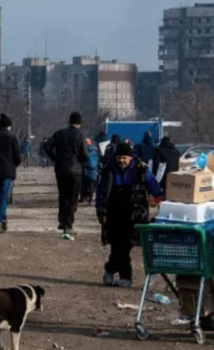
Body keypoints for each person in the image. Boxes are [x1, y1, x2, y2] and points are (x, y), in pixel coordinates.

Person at [96, 142, 163, 288]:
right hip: (113, 211)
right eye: (119, 157)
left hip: (134, 212)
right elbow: (101, 190)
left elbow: (152, 184)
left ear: (130, 158)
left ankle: (111, 268)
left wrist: (160, 199)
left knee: (125, 245)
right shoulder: (109, 170)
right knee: (117, 244)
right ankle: (125, 277)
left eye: (124, 158)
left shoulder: (141, 170)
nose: (121, 161)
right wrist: (100, 209)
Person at [43, 112, 88, 240]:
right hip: (75, 171)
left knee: (63, 195)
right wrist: (80, 162)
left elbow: (46, 146)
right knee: (73, 198)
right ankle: (68, 225)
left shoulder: (59, 133)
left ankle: (62, 221)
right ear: (79, 123)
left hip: (61, 169)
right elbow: (85, 155)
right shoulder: (80, 136)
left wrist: (55, 158)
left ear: (69, 121)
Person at [80, 138, 100, 205]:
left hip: (85, 170)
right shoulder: (95, 150)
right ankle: (90, 200)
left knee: (84, 185)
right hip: (93, 170)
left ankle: (83, 198)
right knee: (91, 185)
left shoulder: (83, 150)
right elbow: (98, 160)